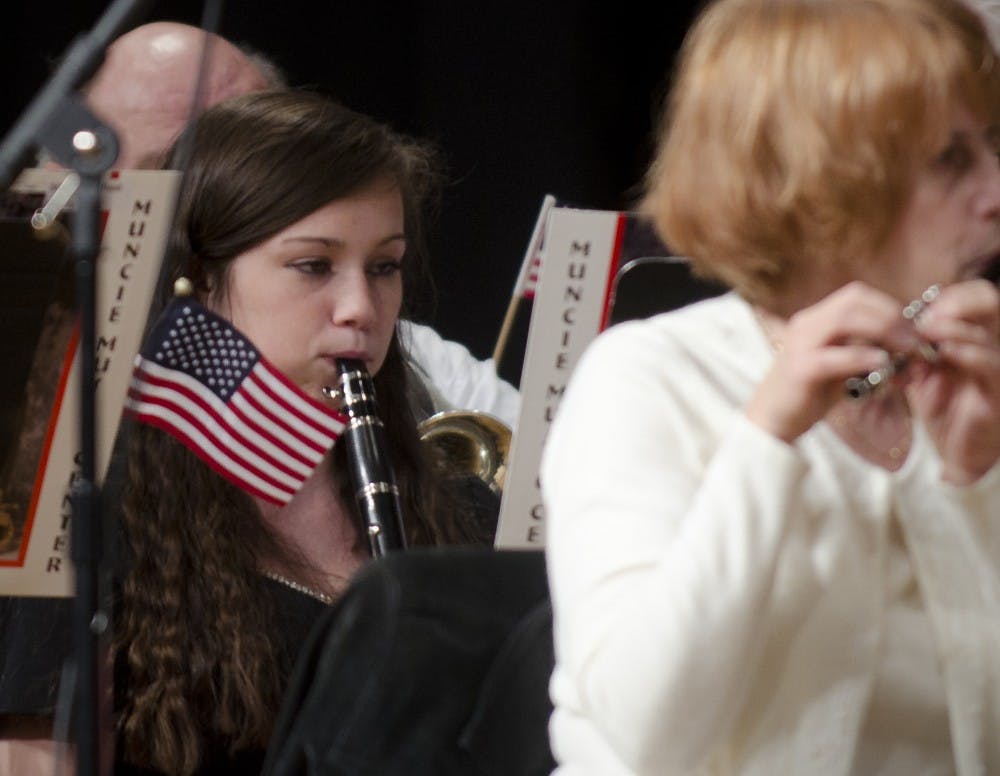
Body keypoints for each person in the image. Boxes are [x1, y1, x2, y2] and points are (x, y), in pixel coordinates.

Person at [541, 0, 1000, 773]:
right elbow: (649, 737)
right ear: (818, 174)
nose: (995, 192)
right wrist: (765, 441)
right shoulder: (649, 380)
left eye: (993, 144)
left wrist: (973, 482)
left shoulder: (972, 384)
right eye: (951, 159)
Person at [84, 20, 521, 430]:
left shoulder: (409, 365)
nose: (360, 308)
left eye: (261, 156)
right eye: (176, 167)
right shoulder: (53, 385)